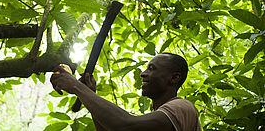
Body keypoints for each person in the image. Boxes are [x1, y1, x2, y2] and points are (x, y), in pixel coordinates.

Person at [50, 53, 202, 131]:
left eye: (152, 69)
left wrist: (76, 86)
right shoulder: (158, 118)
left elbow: (124, 126)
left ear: (174, 78)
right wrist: (90, 94)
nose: (143, 73)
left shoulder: (182, 107)